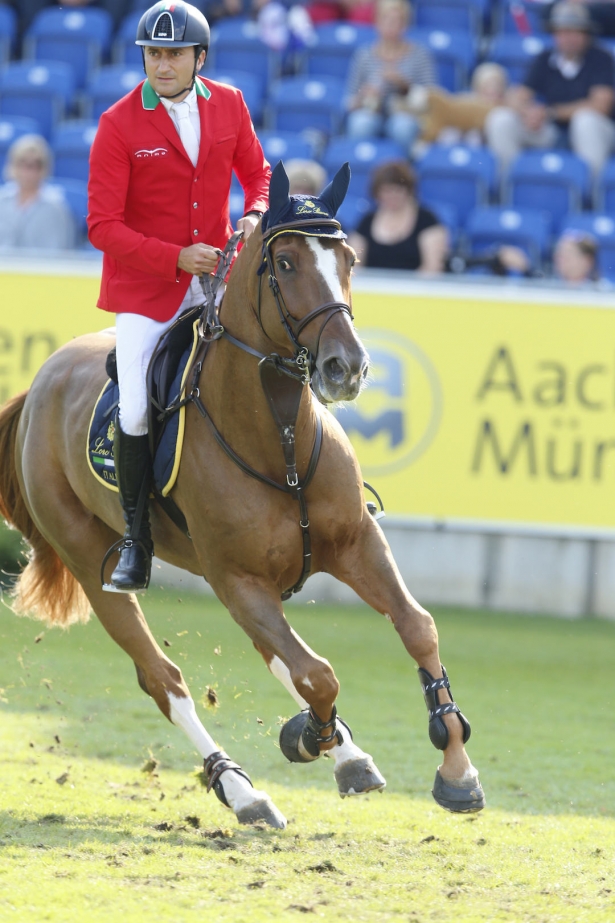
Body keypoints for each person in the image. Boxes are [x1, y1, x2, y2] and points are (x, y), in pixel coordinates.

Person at [87, 0, 271, 593]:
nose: (162, 65)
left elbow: (259, 175)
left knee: (273, 353)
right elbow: (101, 226)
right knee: (138, 406)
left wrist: (255, 214)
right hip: (146, 290)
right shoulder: (118, 124)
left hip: (217, 277)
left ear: (199, 57)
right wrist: (172, 258)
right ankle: (137, 542)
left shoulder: (231, 104)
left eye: (173, 55)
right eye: (153, 54)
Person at [485, 1, 615, 175]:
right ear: (554, 33)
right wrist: (528, 112)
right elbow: (518, 96)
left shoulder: (602, 58)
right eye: (562, 31)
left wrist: (551, 112)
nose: (568, 37)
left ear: (586, 34)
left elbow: (600, 106)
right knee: (501, 119)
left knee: (586, 122)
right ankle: (508, 185)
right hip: (552, 130)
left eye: (575, 31)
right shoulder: (545, 58)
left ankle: (591, 192)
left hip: (595, 132)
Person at [344, 0, 435, 153]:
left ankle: (403, 173)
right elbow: (349, 101)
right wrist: (364, 95)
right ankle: (360, 169)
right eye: (386, 19)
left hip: (406, 113)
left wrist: (404, 86)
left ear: (405, 25)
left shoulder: (419, 54)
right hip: (371, 112)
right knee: (360, 123)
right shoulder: (363, 54)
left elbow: (432, 98)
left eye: (397, 21)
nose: (391, 25)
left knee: (402, 127)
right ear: (377, 22)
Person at [348, 159, 448, 271]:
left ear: (409, 191)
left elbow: (432, 268)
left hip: (416, 287)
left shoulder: (427, 220)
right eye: (386, 191)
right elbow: (354, 267)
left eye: (397, 191)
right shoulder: (366, 221)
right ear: (377, 193)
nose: (392, 196)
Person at [404, 63, 510, 147]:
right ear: (478, 87)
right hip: (455, 139)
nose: (492, 91)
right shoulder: (465, 102)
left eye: (497, 87)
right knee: (449, 134)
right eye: (487, 86)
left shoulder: (505, 112)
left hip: (484, 148)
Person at [0, 134, 76, 250]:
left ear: (45, 168)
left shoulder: (57, 208)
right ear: (13, 165)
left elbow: (63, 254)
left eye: (35, 165)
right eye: (22, 163)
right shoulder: (1, 200)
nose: (28, 171)